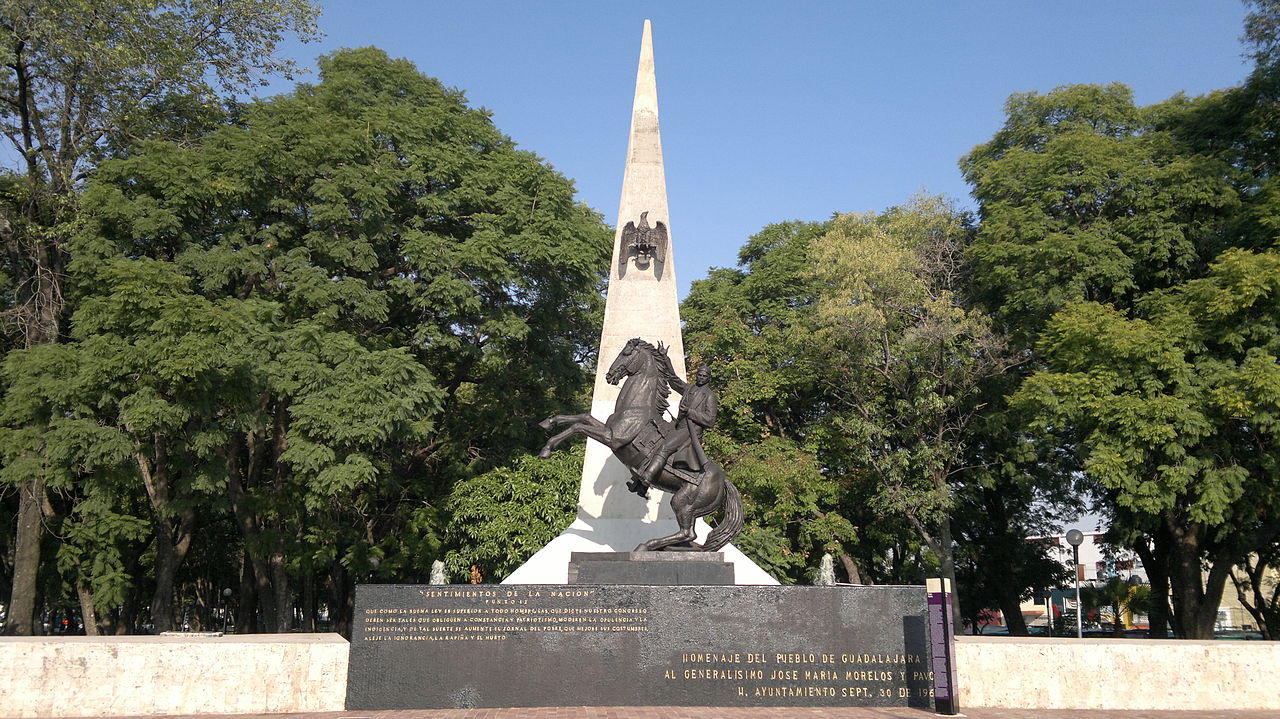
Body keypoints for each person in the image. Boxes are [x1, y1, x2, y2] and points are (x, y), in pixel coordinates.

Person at [627, 360, 717, 498]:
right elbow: (674, 379)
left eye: (704, 376)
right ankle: (639, 484)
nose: (701, 377)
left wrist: (690, 411)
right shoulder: (689, 389)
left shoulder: (710, 396)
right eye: (699, 374)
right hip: (678, 426)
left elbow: (710, 420)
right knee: (654, 440)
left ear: (708, 378)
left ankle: (646, 480)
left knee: (664, 447)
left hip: (690, 431)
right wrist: (666, 359)